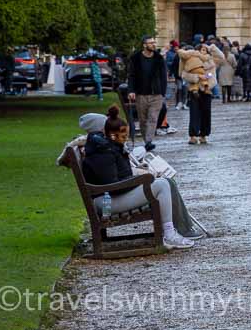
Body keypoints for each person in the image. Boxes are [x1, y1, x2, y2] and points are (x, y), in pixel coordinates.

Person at [80, 105, 196, 249]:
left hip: (107, 197)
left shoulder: (106, 146)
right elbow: (112, 186)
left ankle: (174, 231)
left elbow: (119, 177)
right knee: (161, 185)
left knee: (162, 182)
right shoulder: (102, 151)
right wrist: (140, 180)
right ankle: (169, 234)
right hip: (105, 204)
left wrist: (139, 175)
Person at [124, 36, 167, 151]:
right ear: (144, 45)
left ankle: (148, 141)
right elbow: (131, 76)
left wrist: (163, 91)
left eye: (154, 42)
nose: (153, 44)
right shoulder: (136, 58)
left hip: (156, 94)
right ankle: (146, 140)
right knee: (143, 120)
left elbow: (163, 76)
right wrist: (131, 90)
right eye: (151, 43)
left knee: (153, 118)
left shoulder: (159, 58)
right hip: (141, 93)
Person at [178, 43, 215, 144]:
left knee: (206, 113)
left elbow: (213, 73)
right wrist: (197, 77)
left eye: (205, 50)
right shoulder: (190, 59)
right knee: (194, 113)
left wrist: (207, 76)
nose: (203, 52)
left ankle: (203, 135)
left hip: (207, 89)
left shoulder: (210, 60)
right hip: (194, 89)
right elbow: (183, 74)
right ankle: (193, 135)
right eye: (202, 50)